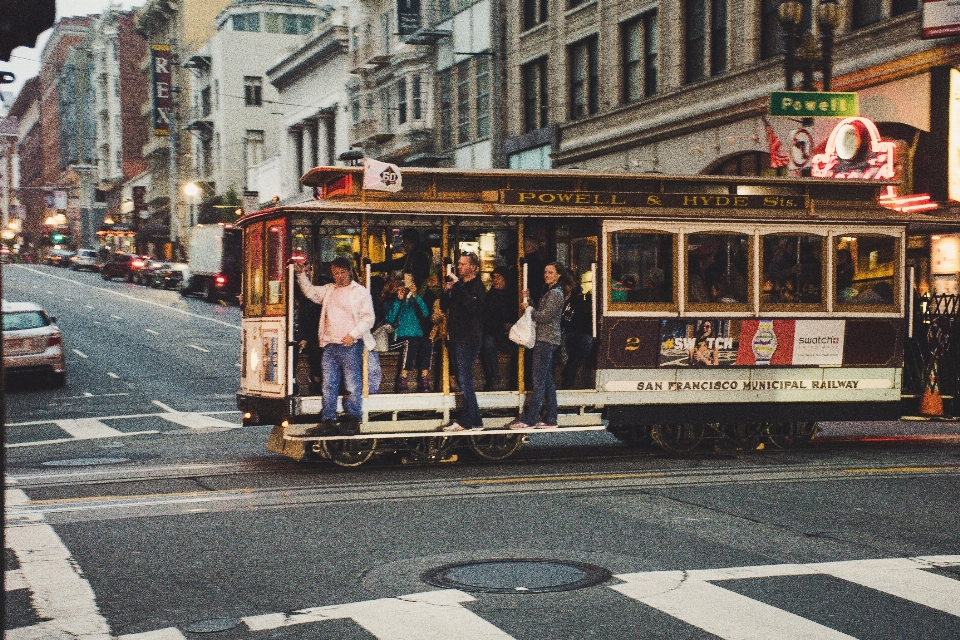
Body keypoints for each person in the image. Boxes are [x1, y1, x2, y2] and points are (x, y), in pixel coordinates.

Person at [295, 257, 376, 437]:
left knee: (352, 384)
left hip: (350, 344)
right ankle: (329, 418)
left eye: (341, 272)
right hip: (331, 344)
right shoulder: (330, 290)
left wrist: (352, 335)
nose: (338, 276)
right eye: (335, 273)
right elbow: (311, 293)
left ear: (349, 272)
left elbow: (368, 319)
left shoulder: (359, 292)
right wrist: (301, 275)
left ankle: (353, 418)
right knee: (329, 384)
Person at [507, 262, 566, 430]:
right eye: (545, 272)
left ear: (558, 275)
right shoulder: (551, 292)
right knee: (546, 380)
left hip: (546, 340)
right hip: (547, 339)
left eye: (550, 272)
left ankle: (530, 419)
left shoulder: (555, 294)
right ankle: (551, 418)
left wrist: (529, 308)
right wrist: (530, 299)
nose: (546, 275)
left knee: (538, 380)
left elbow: (543, 316)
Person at [440, 252, 486, 431]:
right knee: (463, 377)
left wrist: (457, 286)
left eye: (463, 264)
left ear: (473, 267)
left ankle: (468, 420)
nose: (459, 267)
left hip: (469, 337)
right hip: (457, 336)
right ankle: (475, 420)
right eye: (458, 264)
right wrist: (446, 291)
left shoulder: (477, 286)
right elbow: (445, 306)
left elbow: (473, 307)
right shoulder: (460, 286)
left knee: (465, 378)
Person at [385, 279, 433, 392]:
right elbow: (390, 319)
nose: (401, 288)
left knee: (427, 342)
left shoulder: (413, 301)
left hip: (416, 336)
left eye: (403, 286)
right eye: (398, 286)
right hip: (398, 339)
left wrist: (416, 296)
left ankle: (424, 378)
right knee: (410, 342)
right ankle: (403, 377)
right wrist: (398, 301)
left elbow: (426, 313)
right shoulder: (390, 302)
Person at [480, 267, 515, 390]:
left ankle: (515, 383)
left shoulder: (513, 297)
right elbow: (486, 319)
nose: (495, 280)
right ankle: (493, 378)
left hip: (512, 335)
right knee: (488, 342)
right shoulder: (489, 297)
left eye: (498, 277)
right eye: (494, 277)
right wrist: (501, 326)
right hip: (495, 334)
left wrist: (512, 325)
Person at [368, 228, 434, 291]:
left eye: (404, 241)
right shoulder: (418, 254)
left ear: (408, 241)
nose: (403, 245)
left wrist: (370, 267)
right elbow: (394, 264)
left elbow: (395, 264)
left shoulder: (417, 256)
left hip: (422, 293)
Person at [560, 278, 594, 389]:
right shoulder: (554, 297)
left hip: (571, 334)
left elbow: (581, 322)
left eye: (567, 284)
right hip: (555, 334)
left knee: (587, 341)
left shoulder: (577, 301)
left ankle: (569, 373)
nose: (565, 287)